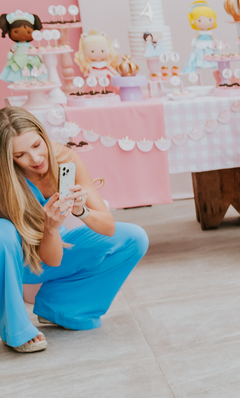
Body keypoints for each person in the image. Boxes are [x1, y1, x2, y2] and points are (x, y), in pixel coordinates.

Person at [0, 107, 149, 353]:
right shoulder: (6, 178)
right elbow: (45, 257)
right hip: (13, 260)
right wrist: (50, 228)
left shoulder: (65, 160)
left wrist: (81, 212)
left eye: (37, 145)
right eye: (21, 155)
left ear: (42, 134)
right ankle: (15, 329)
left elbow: (107, 227)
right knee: (3, 232)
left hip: (50, 249)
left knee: (133, 238)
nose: (36, 159)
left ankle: (63, 307)